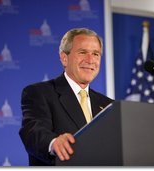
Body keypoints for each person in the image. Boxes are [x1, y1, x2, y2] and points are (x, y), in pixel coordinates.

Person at [19, 28, 114, 166]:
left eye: (96, 54)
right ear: (64, 58)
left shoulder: (107, 105)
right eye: (82, 52)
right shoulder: (39, 93)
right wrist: (53, 143)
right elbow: (33, 131)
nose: (90, 60)